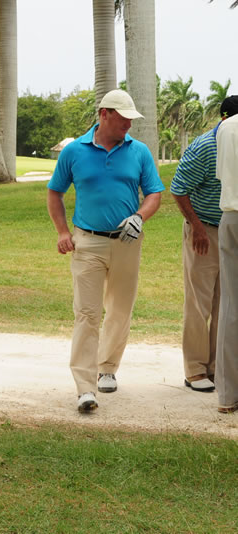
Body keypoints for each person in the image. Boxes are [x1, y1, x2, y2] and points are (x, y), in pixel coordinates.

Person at [46, 89, 164, 413]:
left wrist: (140, 217)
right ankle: (85, 388)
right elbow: (54, 192)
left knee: (120, 309)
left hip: (128, 241)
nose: (129, 125)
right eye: (124, 119)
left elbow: (154, 193)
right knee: (87, 313)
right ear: (104, 115)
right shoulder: (74, 152)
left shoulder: (138, 152)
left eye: (131, 120)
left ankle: (108, 368)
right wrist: (61, 232)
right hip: (88, 242)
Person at [170, 96, 238, 393]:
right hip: (203, 230)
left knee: (225, 301)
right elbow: (178, 189)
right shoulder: (205, 147)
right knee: (199, 303)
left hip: (227, 229)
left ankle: (214, 367)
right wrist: (196, 227)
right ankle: (195, 370)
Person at [215, 111, 238, 414]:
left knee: (230, 306)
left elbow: (222, 174)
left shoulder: (227, 126)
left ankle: (228, 395)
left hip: (230, 217)